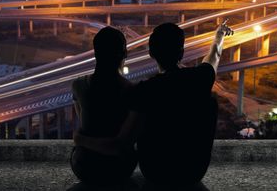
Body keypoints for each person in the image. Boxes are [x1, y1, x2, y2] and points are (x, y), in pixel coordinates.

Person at [74, 20, 233, 187]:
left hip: (157, 172)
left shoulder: (144, 91)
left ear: (151, 53)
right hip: (195, 171)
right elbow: (214, 56)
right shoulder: (200, 77)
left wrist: (81, 139)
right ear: (182, 53)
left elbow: (121, 145)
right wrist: (219, 36)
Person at [69, 26, 138, 188]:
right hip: (120, 167)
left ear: (95, 53)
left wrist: (81, 140)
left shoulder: (78, 85)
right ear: (124, 53)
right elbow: (119, 146)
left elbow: (87, 124)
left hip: (84, 166)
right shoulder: (131, 90)